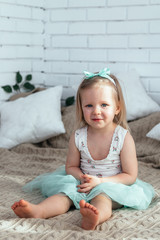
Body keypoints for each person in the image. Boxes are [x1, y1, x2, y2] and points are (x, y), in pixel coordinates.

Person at [11, 68, 155, 230]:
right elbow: (71, 166)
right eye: (89, 105)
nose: (96, 111)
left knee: (103, 198)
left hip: (110, 184)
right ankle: (39, 210)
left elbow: (130, 176)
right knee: (65, 194)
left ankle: (96, 216)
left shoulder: (123, 138)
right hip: (83, 182)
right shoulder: (78, 136)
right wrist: (82, 177)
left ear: (117, 108)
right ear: (81, 108)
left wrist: (100, 181)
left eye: (104, 105)